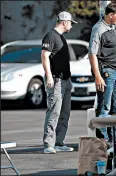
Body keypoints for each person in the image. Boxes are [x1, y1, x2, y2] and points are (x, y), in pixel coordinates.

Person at [88, 2, 116, 144]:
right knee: (104, 108)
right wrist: (98, 76)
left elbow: (110, 47)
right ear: (111, 15)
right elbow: (92, 54)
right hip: (106, 73)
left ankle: (115, 141)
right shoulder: (98, 29)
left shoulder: (112, 27)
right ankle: (102, 141)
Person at [41, 11, 78, 154]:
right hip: (55, 80)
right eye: (71, 23)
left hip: (65, 80)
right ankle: (48, 145)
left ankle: (59, 142)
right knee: (54, 112)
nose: (71, 26)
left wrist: (68, 80)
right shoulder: (51, 36)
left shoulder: (61, 38)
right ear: (64, 22)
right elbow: (44, 56)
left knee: (65, 113)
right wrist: (49, 76)